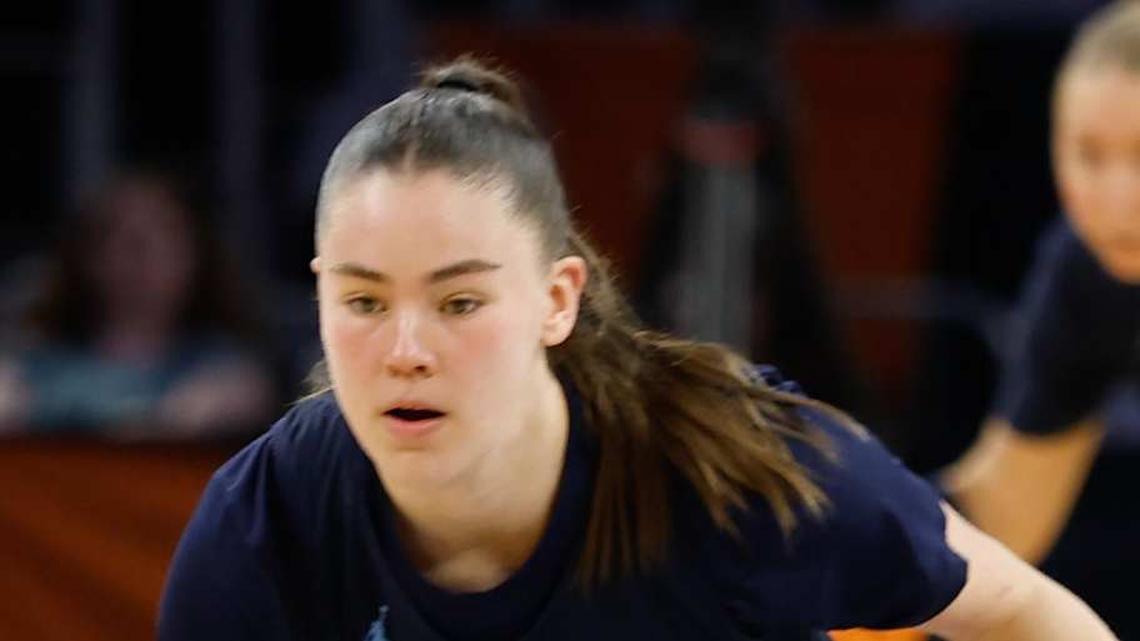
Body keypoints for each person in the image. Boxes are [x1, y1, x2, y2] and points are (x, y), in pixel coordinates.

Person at [157, 58, 1117, 641]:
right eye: (363, 298)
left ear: (557, 300)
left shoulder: (729, 470)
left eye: (459, 299)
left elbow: (1028, 615)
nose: (406, 348)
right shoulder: (263, 527)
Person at [939, 2, 1140, 637]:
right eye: (1088, 154)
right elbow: (1003, 512)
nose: (1118, 198)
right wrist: (844, 538)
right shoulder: (1085, 273)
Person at [0, 170, 277, 437]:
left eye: (162, 237)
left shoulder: (228, 369)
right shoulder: (34, 363)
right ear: (85, 257)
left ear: (197, 257)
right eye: (121, 239)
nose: (140, 256)